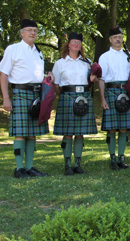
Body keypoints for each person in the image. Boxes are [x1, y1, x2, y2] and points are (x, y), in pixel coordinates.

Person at [0, 19, 54, 178]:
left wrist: (47, 76)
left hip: (37, 95)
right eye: (29, 30)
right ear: (22, 33)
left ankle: (29, 167)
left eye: (35, 30)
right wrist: (6, 98)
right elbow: (4, 74)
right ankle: (19, 168)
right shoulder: (13, 49)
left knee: (32, 133)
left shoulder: (39, 52)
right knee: (21, 133)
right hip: (21, 94)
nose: (33, 33)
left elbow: (34, 73)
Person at [52, 32, 97, 175]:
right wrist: (65, 96)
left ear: (81, 45)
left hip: (84, 96)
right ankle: (67, 165)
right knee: (67, 133)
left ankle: (77, 165)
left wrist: (94, 79)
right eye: (73, 42)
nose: (76, 44)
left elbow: (91, 81)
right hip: (67, 97)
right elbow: (56, 85)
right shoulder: (60, 63)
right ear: (68, 44)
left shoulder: (87, 63)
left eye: (78, 42)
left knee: (80, 133)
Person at [98, 26, 130, 170]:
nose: (118, 40)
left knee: (123, 128)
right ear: (110, 40)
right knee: (112, 129)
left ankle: (121, 158)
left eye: (120, 37)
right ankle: (112, 159)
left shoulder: (129, 56)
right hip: (111, 91)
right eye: (115, 37)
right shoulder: (104, 57)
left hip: (126, 93)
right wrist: (102, 99)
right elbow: (101, 79)